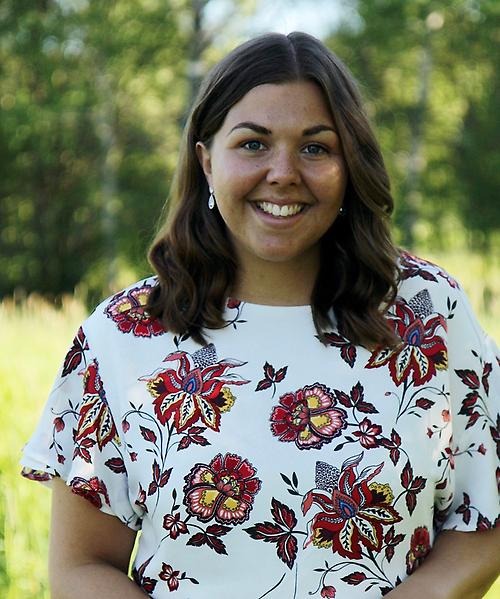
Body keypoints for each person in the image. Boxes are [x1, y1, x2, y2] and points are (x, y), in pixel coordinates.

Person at [21, 32, 499, 598]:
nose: (283, 173)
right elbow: (81, 567)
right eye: (253, 144)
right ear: (206, 161)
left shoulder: (426, 310)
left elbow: (485, 516)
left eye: (316, 148)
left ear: (350, 166)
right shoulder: (125, 332)